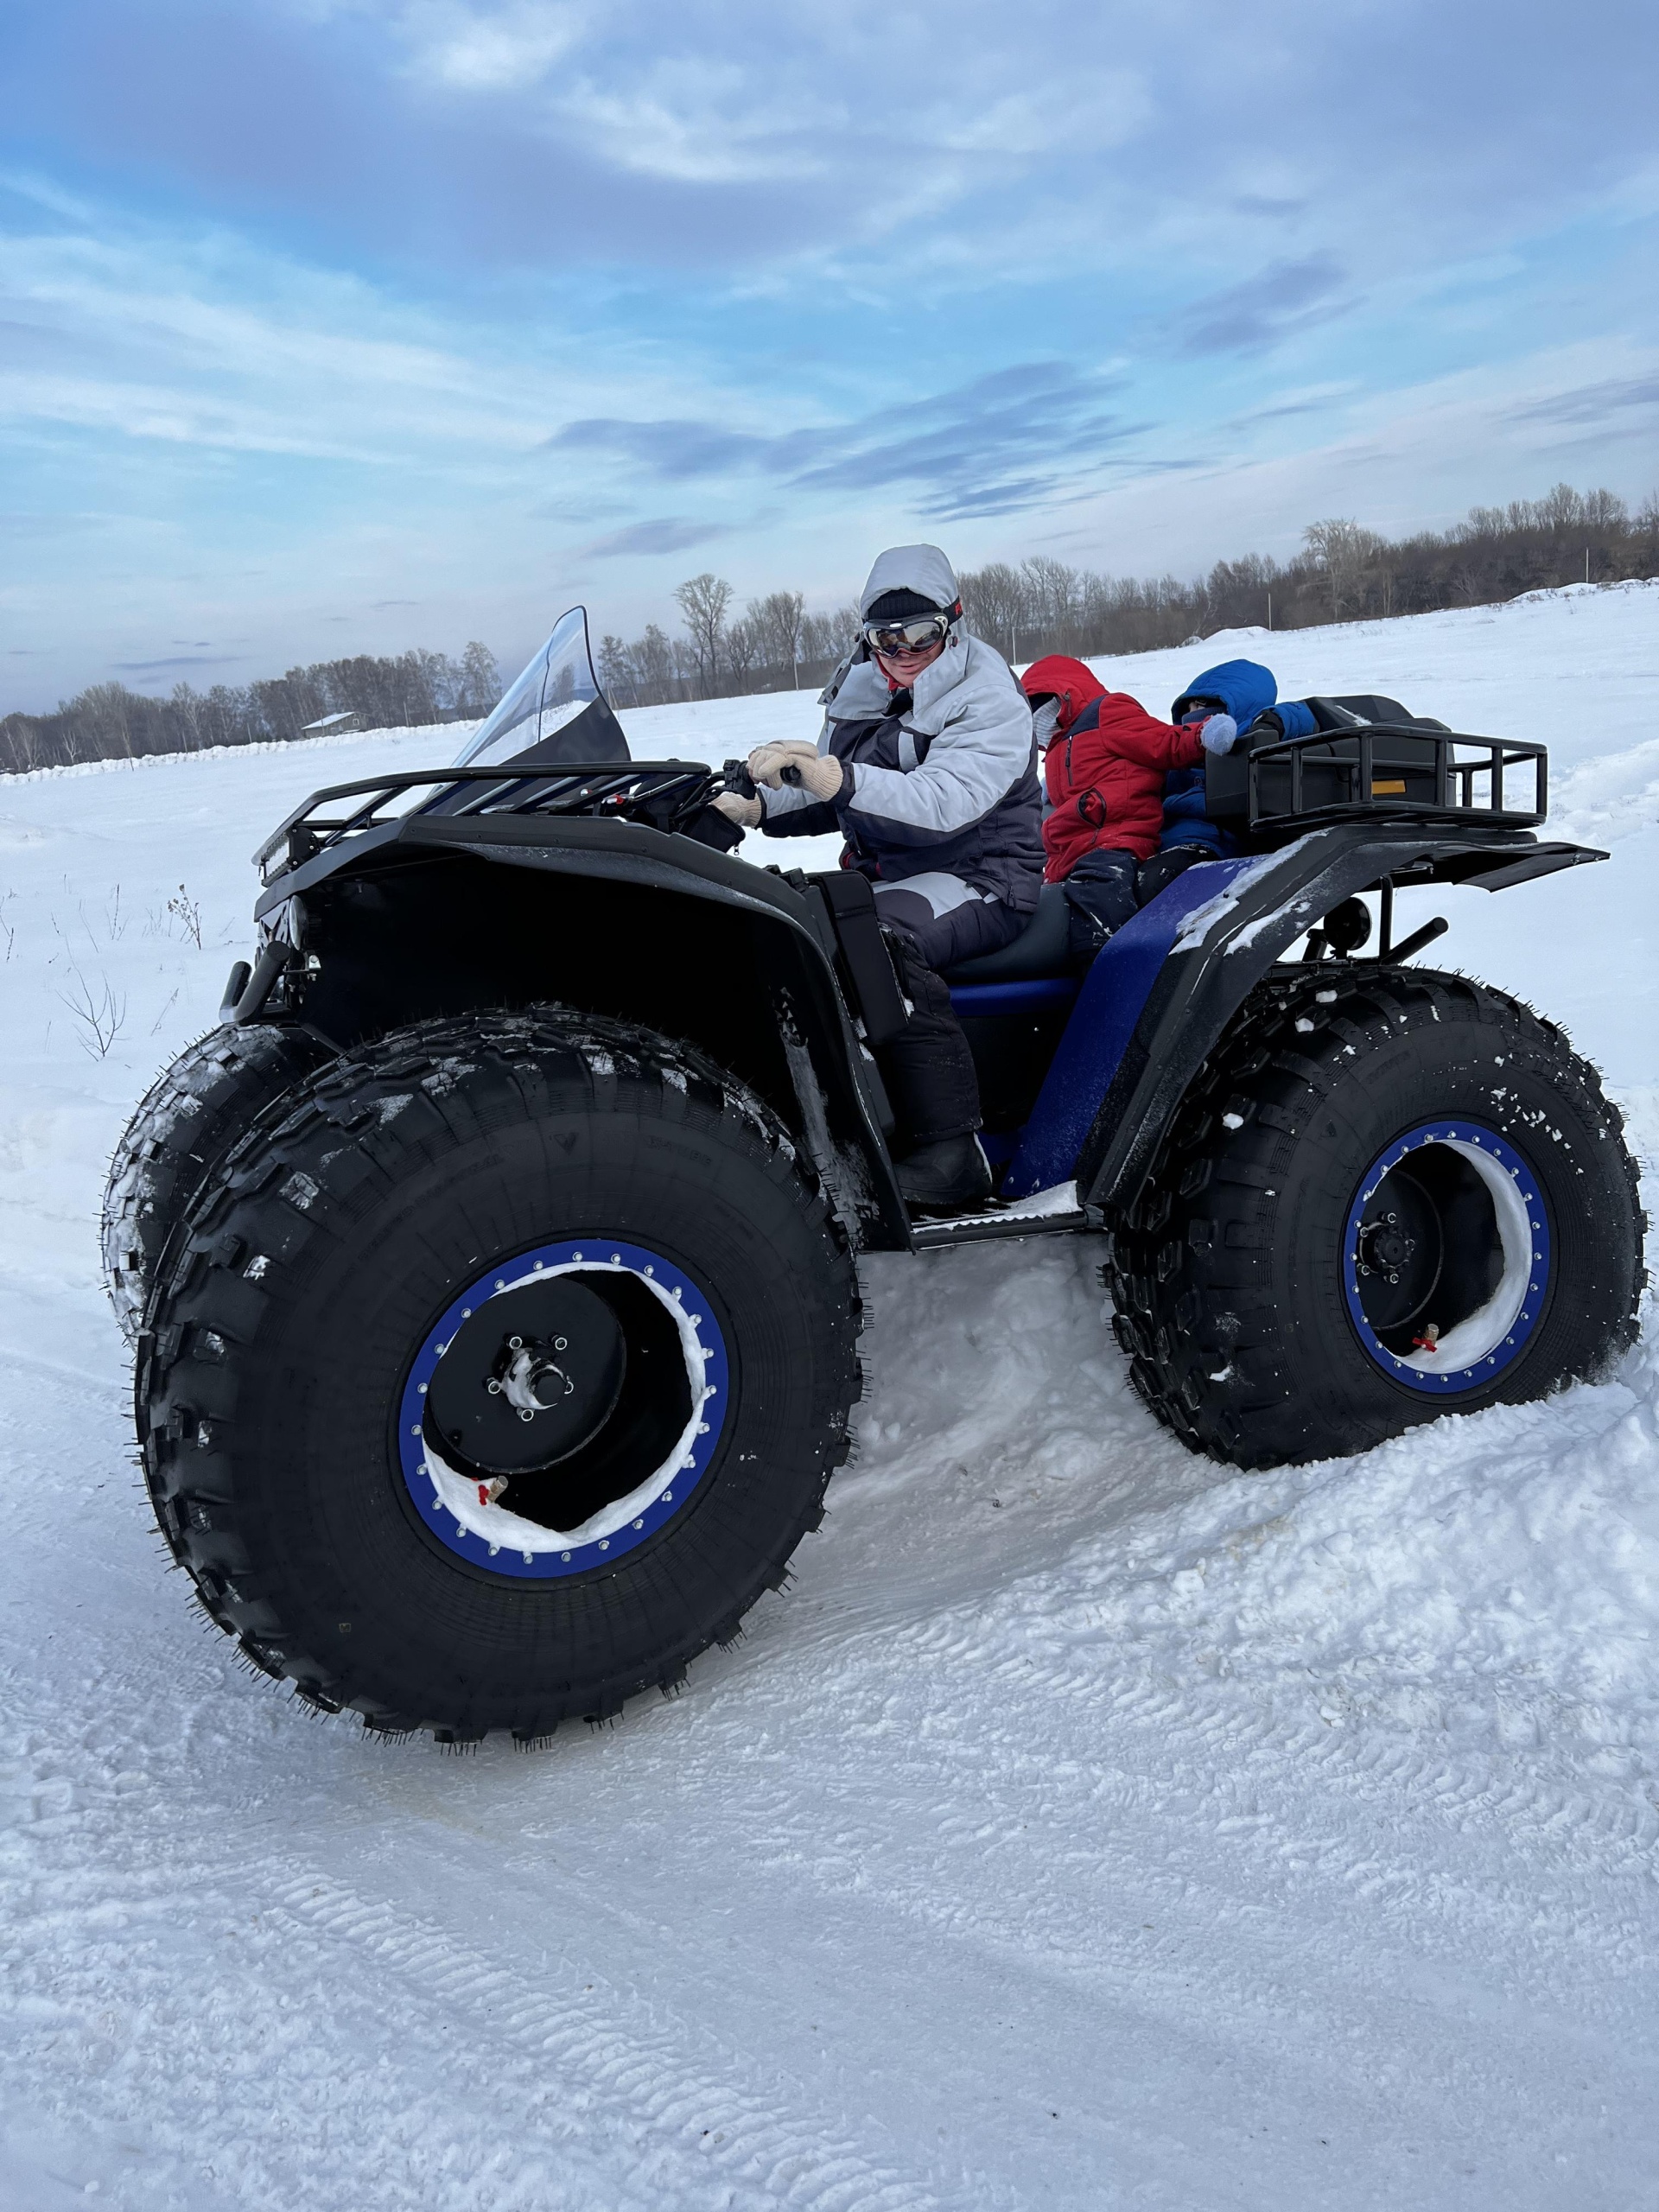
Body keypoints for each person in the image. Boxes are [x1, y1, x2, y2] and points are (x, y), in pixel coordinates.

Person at [715, 544, 1041, 1213]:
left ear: (953, 626)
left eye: (920, 634)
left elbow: (945, 803)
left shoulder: (988, 695)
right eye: (885, 637)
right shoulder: (859, 688)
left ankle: (953, 1153)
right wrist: (754, 806)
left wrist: (839, 779)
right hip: (888, 873)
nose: (902, 650)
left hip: (982, 875)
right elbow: (830, 789)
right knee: (790, 920)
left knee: (879, 939)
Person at [1019, 654, 1240, 970]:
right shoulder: (1056, 744)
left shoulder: (1107, 712)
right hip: (1070, 852)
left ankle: (1108, 970)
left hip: (1114, 841)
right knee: (1046, 911)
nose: (1036, 718)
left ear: (1064, 694)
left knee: (1098, 911)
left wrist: (1203, 735)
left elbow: (1162, 742)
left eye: (1039, 704)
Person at [1138, 658, 1279, 904]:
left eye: (1200, 706)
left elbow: (1303, 714)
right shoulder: (1179, 753)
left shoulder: (1249, 744)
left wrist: (1275, 720)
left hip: (1210, 841)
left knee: (1153, 884)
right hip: (1162, 839)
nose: (1191, 716)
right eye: (1188, 708)